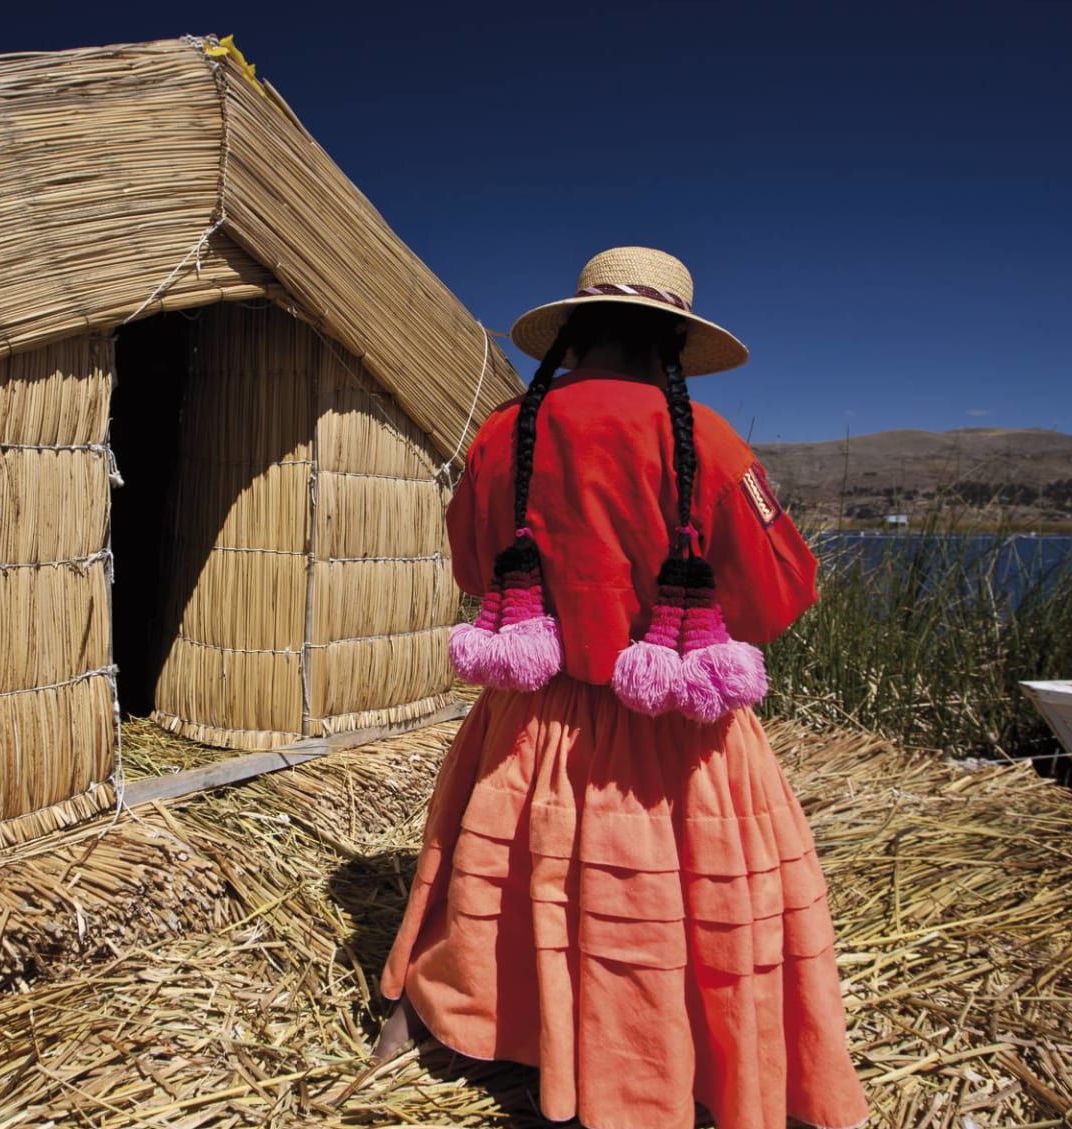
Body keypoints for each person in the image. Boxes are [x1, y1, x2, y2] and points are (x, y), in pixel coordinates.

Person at [369, 248, 869, 1129]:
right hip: (672, 739)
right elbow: (775, 595)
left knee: (511, 881)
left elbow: (471, 565)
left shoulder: (504, 436)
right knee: (652, 911)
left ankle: (491, 1026)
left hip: (532, 725)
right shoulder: (710, 445)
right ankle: (656, 1071)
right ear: (674, 343)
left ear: (570, 333)